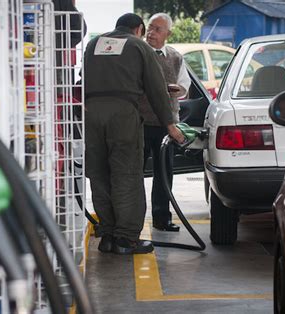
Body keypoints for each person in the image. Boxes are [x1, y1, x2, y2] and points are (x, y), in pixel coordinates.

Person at [84, 13, 185, 255]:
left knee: (100, 173)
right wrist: (170, 125)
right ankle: (126, 239)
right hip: (123, 114)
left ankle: (107, 234)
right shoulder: (139, 46)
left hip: (90, 114)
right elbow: (157, 89)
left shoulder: (93, 44)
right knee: (126, 174)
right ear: (138, 29)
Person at [140, 13, 191, 232]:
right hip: (140, 122)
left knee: (164, 174)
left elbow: (184, 86)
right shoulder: (138, 53)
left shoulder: (176, 57)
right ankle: (132, 221)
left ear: (168, 34)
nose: (151, 33)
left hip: (167, 123)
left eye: (157, 29)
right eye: (150, 28)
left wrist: (177, 90)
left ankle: (162, 219)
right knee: (133, 174)